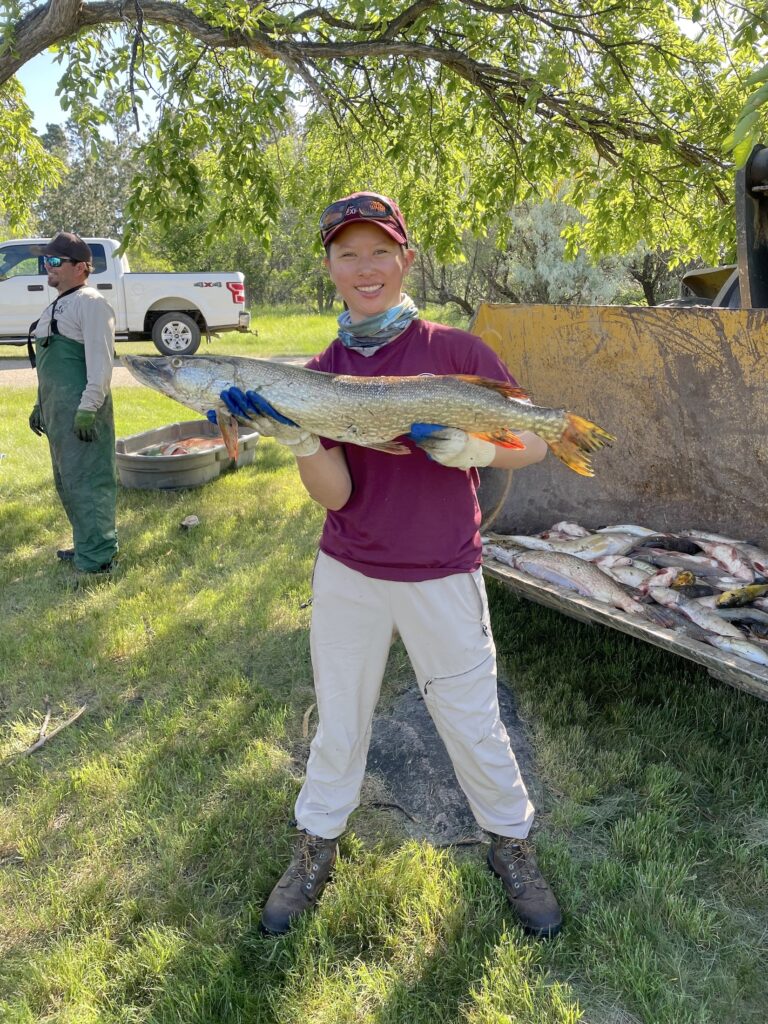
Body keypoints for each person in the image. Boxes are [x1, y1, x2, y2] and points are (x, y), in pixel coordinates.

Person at [220, 192, 562, 939]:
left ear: (407, 259)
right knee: (340, 721)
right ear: (330, 267)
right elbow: (337, 496)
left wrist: (475, 449)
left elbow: (532, 441)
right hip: (351, 573)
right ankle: (316, 844)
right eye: (348, 253)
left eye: (381, 251)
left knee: (472, 721)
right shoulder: (318, 375)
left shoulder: (459, 353)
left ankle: (511, 841)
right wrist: (304, 442)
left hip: (444, 570)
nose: (365, 267)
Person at [28, 232, 118, 574]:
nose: (46, 267)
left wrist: (88, 408)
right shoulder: (55, 304)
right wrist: (41, 405)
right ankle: (86, 543)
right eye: (45, 261)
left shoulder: (92, 304)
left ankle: (98, 557)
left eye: (54, 261)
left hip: (83, 411)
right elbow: (47, 367)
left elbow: (101, 363)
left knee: (90, 481)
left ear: (81, 268)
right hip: (57, 412)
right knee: (68, 480)